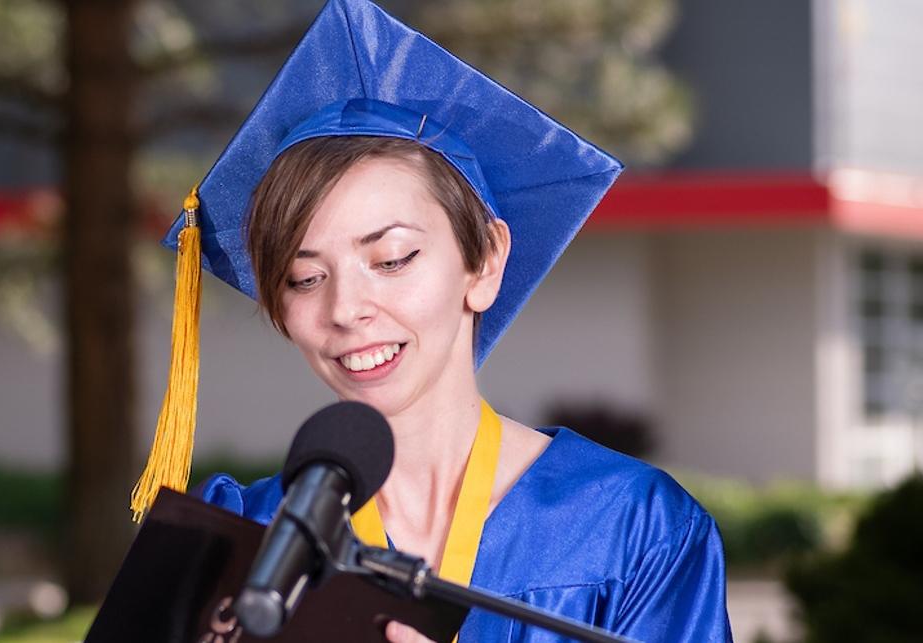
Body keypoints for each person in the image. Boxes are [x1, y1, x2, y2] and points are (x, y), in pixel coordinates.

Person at [132, 0, 733, 641]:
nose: (346, 310)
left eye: (391, 258)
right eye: (305, 278)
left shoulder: (631, 530)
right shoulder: (235, 540)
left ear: (486, 263)